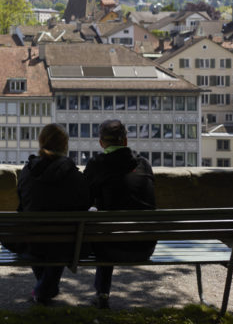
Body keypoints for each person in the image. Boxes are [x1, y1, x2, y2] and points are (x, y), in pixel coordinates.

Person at [83, 119, 156, 309]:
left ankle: (102, 292)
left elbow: (83, 201)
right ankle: (102, 292)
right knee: (110, 226)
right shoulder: (144, 164)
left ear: (101, 143)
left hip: (109, 248)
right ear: (125, 141)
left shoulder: (96, 164)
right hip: (144, 246)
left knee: (103, 228)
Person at [15, 123, 90, 304]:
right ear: (65, 146)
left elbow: (22, 205)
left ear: (41, 143)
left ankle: (45, 287)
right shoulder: (73, 175)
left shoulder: (27, 172)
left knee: (39, 233)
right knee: (62, 239)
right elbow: (85, 203)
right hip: (64, 243)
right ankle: (45, 288)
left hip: (32, 241)